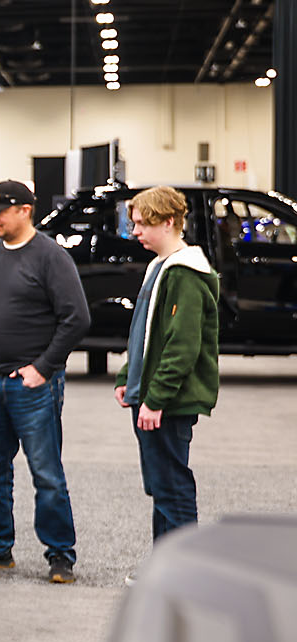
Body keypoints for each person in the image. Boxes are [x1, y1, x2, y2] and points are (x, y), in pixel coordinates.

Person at [0, 179, 90, 583]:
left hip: (33, 386)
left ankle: (60, 555)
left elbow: (76, 318)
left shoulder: (51, 257)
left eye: (0, 211)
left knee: (46, 474)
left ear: (25, 211)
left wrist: (44, 368)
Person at [113, 186, 219, 560]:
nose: (136, 232)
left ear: (169, 222)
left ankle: (183, 571)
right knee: (162, 487)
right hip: (149, 396)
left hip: (168, 402)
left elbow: (182, 345)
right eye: (134, 224)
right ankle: (164, 566)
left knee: (173, 487)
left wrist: (156, 398)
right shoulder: (159, 267)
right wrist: (127, 376)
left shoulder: (185, 274)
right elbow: (145, 334)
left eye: (143, 224)